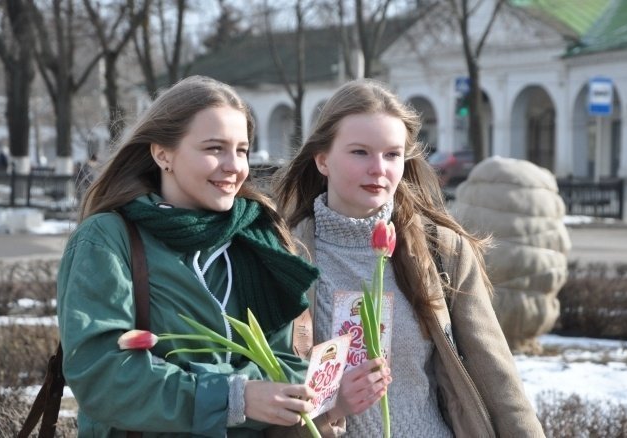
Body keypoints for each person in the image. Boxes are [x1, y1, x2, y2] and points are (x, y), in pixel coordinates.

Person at [56, 75, 386, 437]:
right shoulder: (108, 238)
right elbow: (102, 376)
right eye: (214, 148)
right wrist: (235, 397)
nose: (234, 166)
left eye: (242, 150)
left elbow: (287, 369)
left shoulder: (261, 238)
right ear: (162, 153)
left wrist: (324, 403)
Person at [274, 79, 545, 437]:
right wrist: (331, 408)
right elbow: (270, 407)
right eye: (360, 152)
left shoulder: (440, 251)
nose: (379, 168)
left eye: (392, 154)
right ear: (322, 159)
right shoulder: (285, 254)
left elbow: (496, 376)